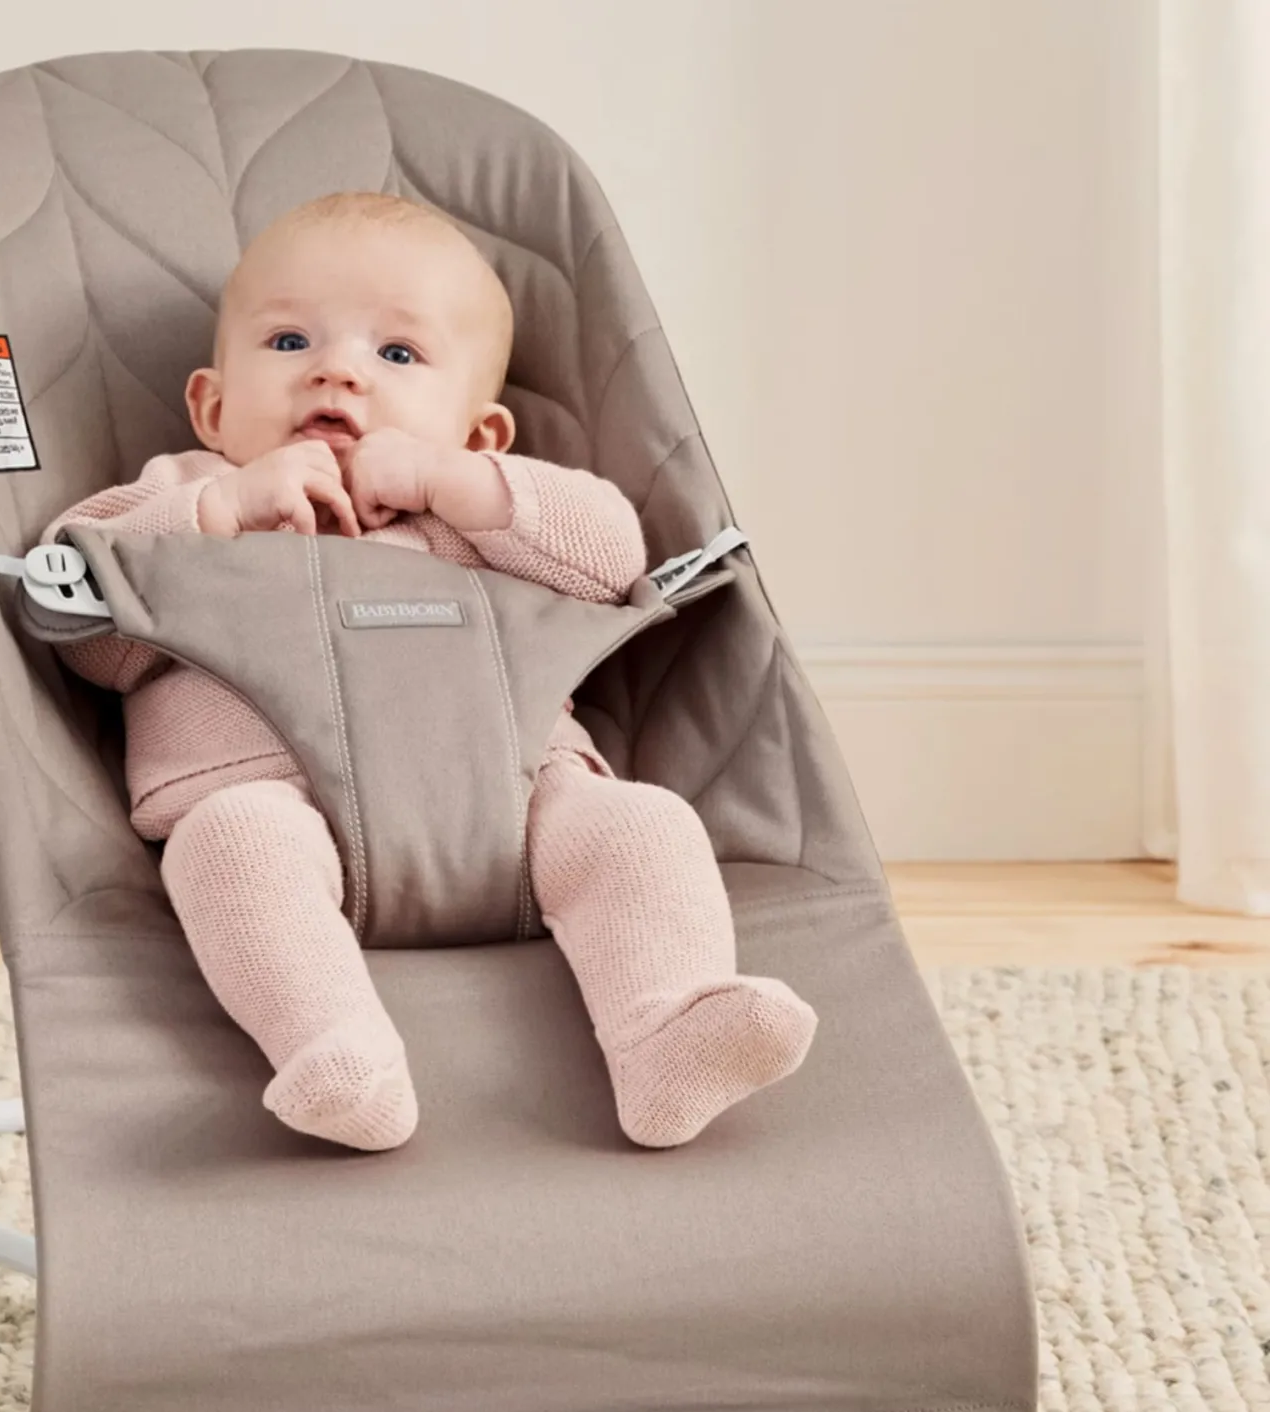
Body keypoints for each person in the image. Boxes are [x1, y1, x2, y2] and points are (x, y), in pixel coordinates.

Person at [41, 191, 816, 1153]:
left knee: (643, 825)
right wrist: (226, 509)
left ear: (480, 433)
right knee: (230, 848)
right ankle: (338, 1055)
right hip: (277, 802)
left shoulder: (481, 513)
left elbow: (613, 561)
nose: (337, 370)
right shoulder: (185, 495)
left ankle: (666, 1030)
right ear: (213, 406)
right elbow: (84, 628)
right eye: (289, 342)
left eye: (398, 354)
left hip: (519, 805)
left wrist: (451, 484)